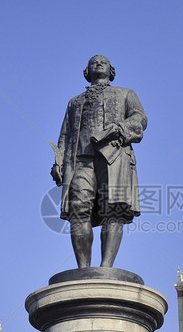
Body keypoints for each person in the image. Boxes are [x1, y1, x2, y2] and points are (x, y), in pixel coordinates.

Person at [51, 55, 147, 268]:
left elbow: (140, 118)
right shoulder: (75, 102)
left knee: (113, 208)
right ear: (87, 71)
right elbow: (65, 135)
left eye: (104, 61)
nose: (99, 63)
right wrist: (58, 162)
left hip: (114, 157)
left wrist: (119, 129)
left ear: (111, 69)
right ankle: (83, 269)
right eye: (93, 61)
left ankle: (106, 268)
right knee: (78, 208)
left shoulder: (125, 94)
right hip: (80, 160)